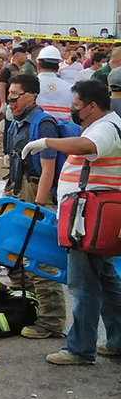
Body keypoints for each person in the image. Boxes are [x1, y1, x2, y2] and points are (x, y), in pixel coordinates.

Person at [20, 80, 121, 365]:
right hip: (91, 216)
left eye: (75, 105)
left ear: (91, 106)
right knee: (107, 281)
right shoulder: (106, 124)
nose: (71, 110)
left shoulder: (105, 128)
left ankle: (80, 349)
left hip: (88, 219)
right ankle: (117, 340)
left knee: (84, 286)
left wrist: (47, 142)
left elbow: (88, 145)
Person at [4, 73, 68, 339]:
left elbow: (48, 170)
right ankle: (27, 308)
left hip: (37, 193)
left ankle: (51, 322)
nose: (10, 102)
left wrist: (39, 208)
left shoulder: (43, 125)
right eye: (9, 97)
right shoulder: (16, 124)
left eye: (15, 97)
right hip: (17, 189)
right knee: (11, 251)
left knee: (40, 258)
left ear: (32, 96)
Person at [34, 46, 74, 122]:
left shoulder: (28, 86)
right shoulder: (70, 88)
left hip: (35, 130)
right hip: (63, 131)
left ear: (38, 65)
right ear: (58, 67)